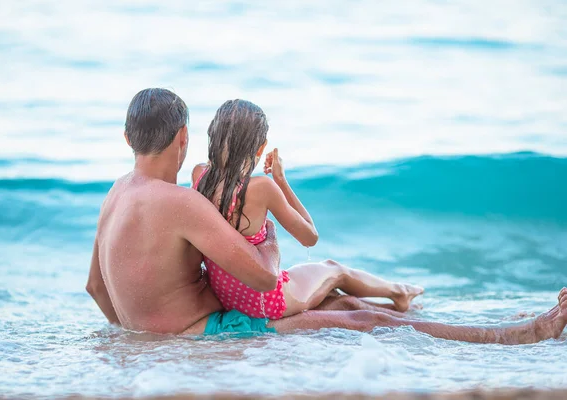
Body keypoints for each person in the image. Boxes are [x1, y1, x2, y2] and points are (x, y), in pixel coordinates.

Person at [86, 87, 567, 344]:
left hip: (166, 333)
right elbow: (259, 277)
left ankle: (488, 320)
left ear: (127, 139)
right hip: (207, 333)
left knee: (336, 303)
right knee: (353, 316)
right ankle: (520, 333)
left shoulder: (116, 194)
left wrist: (137, 335)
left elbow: (96, 288)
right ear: (184, 138)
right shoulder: (179, 202)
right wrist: (269, 240)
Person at [192, 99, 423, 321]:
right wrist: (281, 180)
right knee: (334, 270)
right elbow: (310, 237)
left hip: (227, 297)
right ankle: (398, 291)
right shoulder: (261, 188)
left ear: (213, 136)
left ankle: (390, 303)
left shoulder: (199, 176)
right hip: (266, 302)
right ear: (260, 147)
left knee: (329, 291)